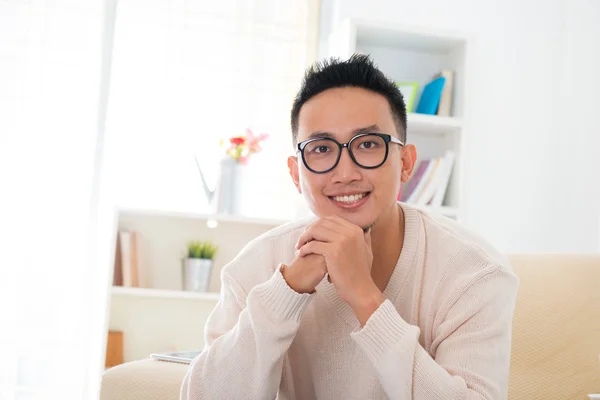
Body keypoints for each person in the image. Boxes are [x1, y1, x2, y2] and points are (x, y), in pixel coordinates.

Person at [180, 54, 519, 400]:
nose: (345, 173)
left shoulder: (474, 273)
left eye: (368, 145)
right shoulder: (256, 266)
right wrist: (289, 290)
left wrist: (365, 296)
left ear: (405, 163)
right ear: (296, 174)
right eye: (321, 148)